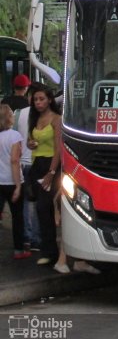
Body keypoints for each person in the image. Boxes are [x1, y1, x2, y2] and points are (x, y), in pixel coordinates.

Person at [26, 83, 62, 266]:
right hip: (36, 164)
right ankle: (48, 250)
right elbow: (29, 140)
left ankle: (52, 251)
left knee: (44, 207)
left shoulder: (56, 119)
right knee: (40, 209)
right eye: (35, 100)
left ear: (49, 100)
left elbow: (58, 149)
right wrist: (30, 144)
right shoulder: (34, 118)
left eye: (41, 99)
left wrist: (52, 172)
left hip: (51, 165)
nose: (38, 103)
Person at [0, 104, 31, 259]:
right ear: (9, 118)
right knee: (17, 217)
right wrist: (18, 185)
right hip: (11, 182)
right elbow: (14, 160)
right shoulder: (15, 136)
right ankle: (19, 250)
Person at [14, 83, 41, 251]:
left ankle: (27, 237)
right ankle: (36, 239)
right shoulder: (46, 116)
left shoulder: (17, 114)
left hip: (22, 163)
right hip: (37, 162)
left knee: (25, 204)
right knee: (37, 204)